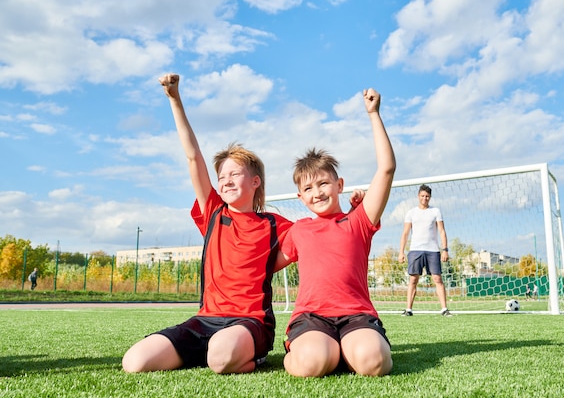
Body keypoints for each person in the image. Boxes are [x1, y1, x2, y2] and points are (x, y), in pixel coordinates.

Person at [122, 73, 294, 374]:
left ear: (255, 182)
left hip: (250, 321)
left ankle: (251, 354)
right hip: (206, 319)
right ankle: (212, 349)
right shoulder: (214, 213)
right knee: (135, 362)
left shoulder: (275, 225)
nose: (226, 181)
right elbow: (193, 158)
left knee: (220, 358)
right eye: (222, 176)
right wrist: (175, 99)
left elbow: (314, 240)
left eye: (234, 174)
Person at [275, 88, 395, 377]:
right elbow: (263, 266)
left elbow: (387, 169)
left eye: (323, 184)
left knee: (374, 363)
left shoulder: (359, 220)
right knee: (312, 364)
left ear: (339, 184)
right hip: (312, 317)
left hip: (356, 316)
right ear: (300, 197)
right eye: (308, 188)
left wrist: (373, 114)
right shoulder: (299, 230)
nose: (317, 193)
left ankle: (346, 349)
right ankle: (310, 350)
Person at [398, 184, 452, 317]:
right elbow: (405, 233)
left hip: (432, 250)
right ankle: (408, 309)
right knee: (413, 280)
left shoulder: (435, 211)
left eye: (427, 196)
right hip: (415, 250)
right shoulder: (411, 212)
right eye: (422, 196)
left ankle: (444, 309)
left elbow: (441, 231)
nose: (424, 198)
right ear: (418, 196)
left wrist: (445, 250)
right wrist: (401, 252)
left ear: (430, 197)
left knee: (437, 278)